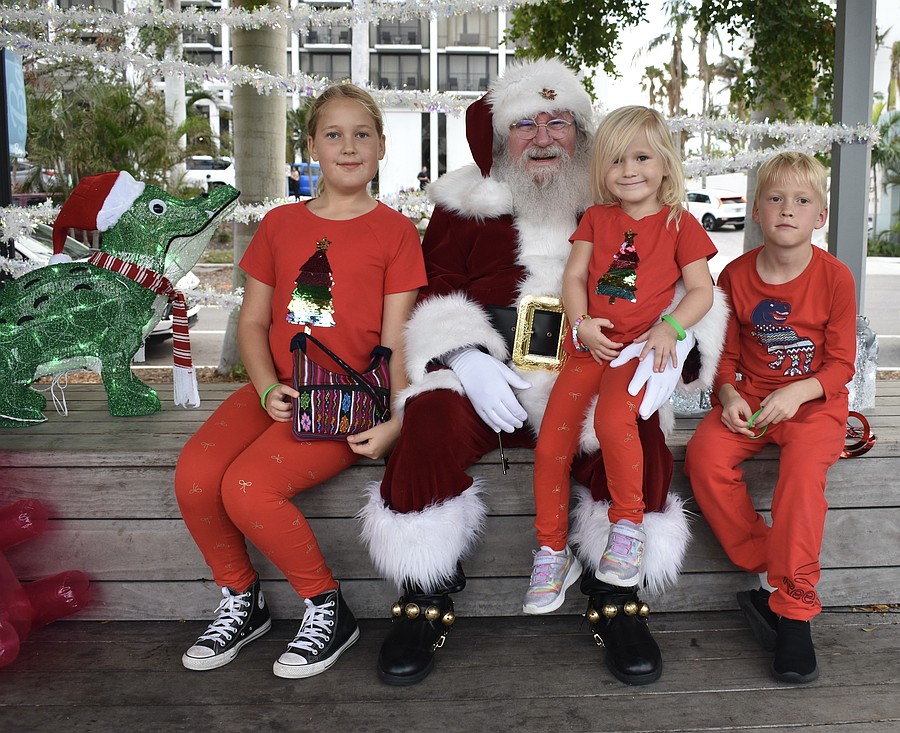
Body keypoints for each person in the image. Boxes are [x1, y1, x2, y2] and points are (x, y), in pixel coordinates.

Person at [356, 58, 727, 687]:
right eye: (526, 124)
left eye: (560, 122)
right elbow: (434, 286)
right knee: (431, 419)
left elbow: (691, 287)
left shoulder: (618, 196)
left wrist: (677, 346)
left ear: (582, 133)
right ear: (502, 138)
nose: (544, 137)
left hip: (600, 360)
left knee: (635, 432)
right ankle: (425, 587)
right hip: (490, 369)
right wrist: (463, 355)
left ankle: (617, 592)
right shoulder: (461, 206)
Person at [174, 83, 426, 679]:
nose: (348, 146)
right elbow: (253, 323)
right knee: (195, 477)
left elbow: (399, 342)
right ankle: (243, 599)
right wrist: (265, 387)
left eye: (361, 135)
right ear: (311, 146)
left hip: (346, 401)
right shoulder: (280, 225)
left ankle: (327, 607)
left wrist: (398, 418)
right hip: (277, 388)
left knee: (247, 488)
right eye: (333, 135)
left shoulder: (396, 232)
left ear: (381, 147)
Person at [523, 106, 715, 615]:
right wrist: (582, 322)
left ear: (666, 164)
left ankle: (627, 527)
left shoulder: (679, 223)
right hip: (589, 347)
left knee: (613, 421)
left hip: (636, 350)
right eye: (615, 161)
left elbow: (702, 291)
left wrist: (671, 328)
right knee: (551, 444)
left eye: (641, 158)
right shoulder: (596, 218)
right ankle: (551, 550)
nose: (628, 170)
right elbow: (574, 277)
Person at [684, 151, 857, 684]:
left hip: (813, 405)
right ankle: (768, 555)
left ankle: (795, 611)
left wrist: (800, 392)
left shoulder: (836, 278)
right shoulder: (734, 276)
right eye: (776, 198)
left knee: (802, 476)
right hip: (754, 400)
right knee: (703, 456)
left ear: (819, 216)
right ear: (756, 211)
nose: (787, 209)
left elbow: (841, 364)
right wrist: (728, 395)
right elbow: (725, 356)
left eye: (801, 201)